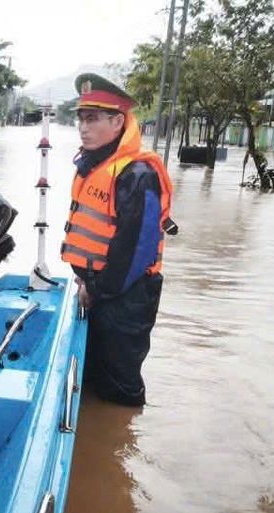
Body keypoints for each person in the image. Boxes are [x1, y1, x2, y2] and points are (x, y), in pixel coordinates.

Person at [60, 73, 173, 406]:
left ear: (118, 121)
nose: (83, 127)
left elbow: (135, 254)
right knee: (94, 376)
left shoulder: (138, 175)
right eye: (81, 118)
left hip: (127, 297)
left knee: (119, 389)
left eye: (92, 118)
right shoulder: (95, 165)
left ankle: (119, 446)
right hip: (101, 289)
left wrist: (95, 289)